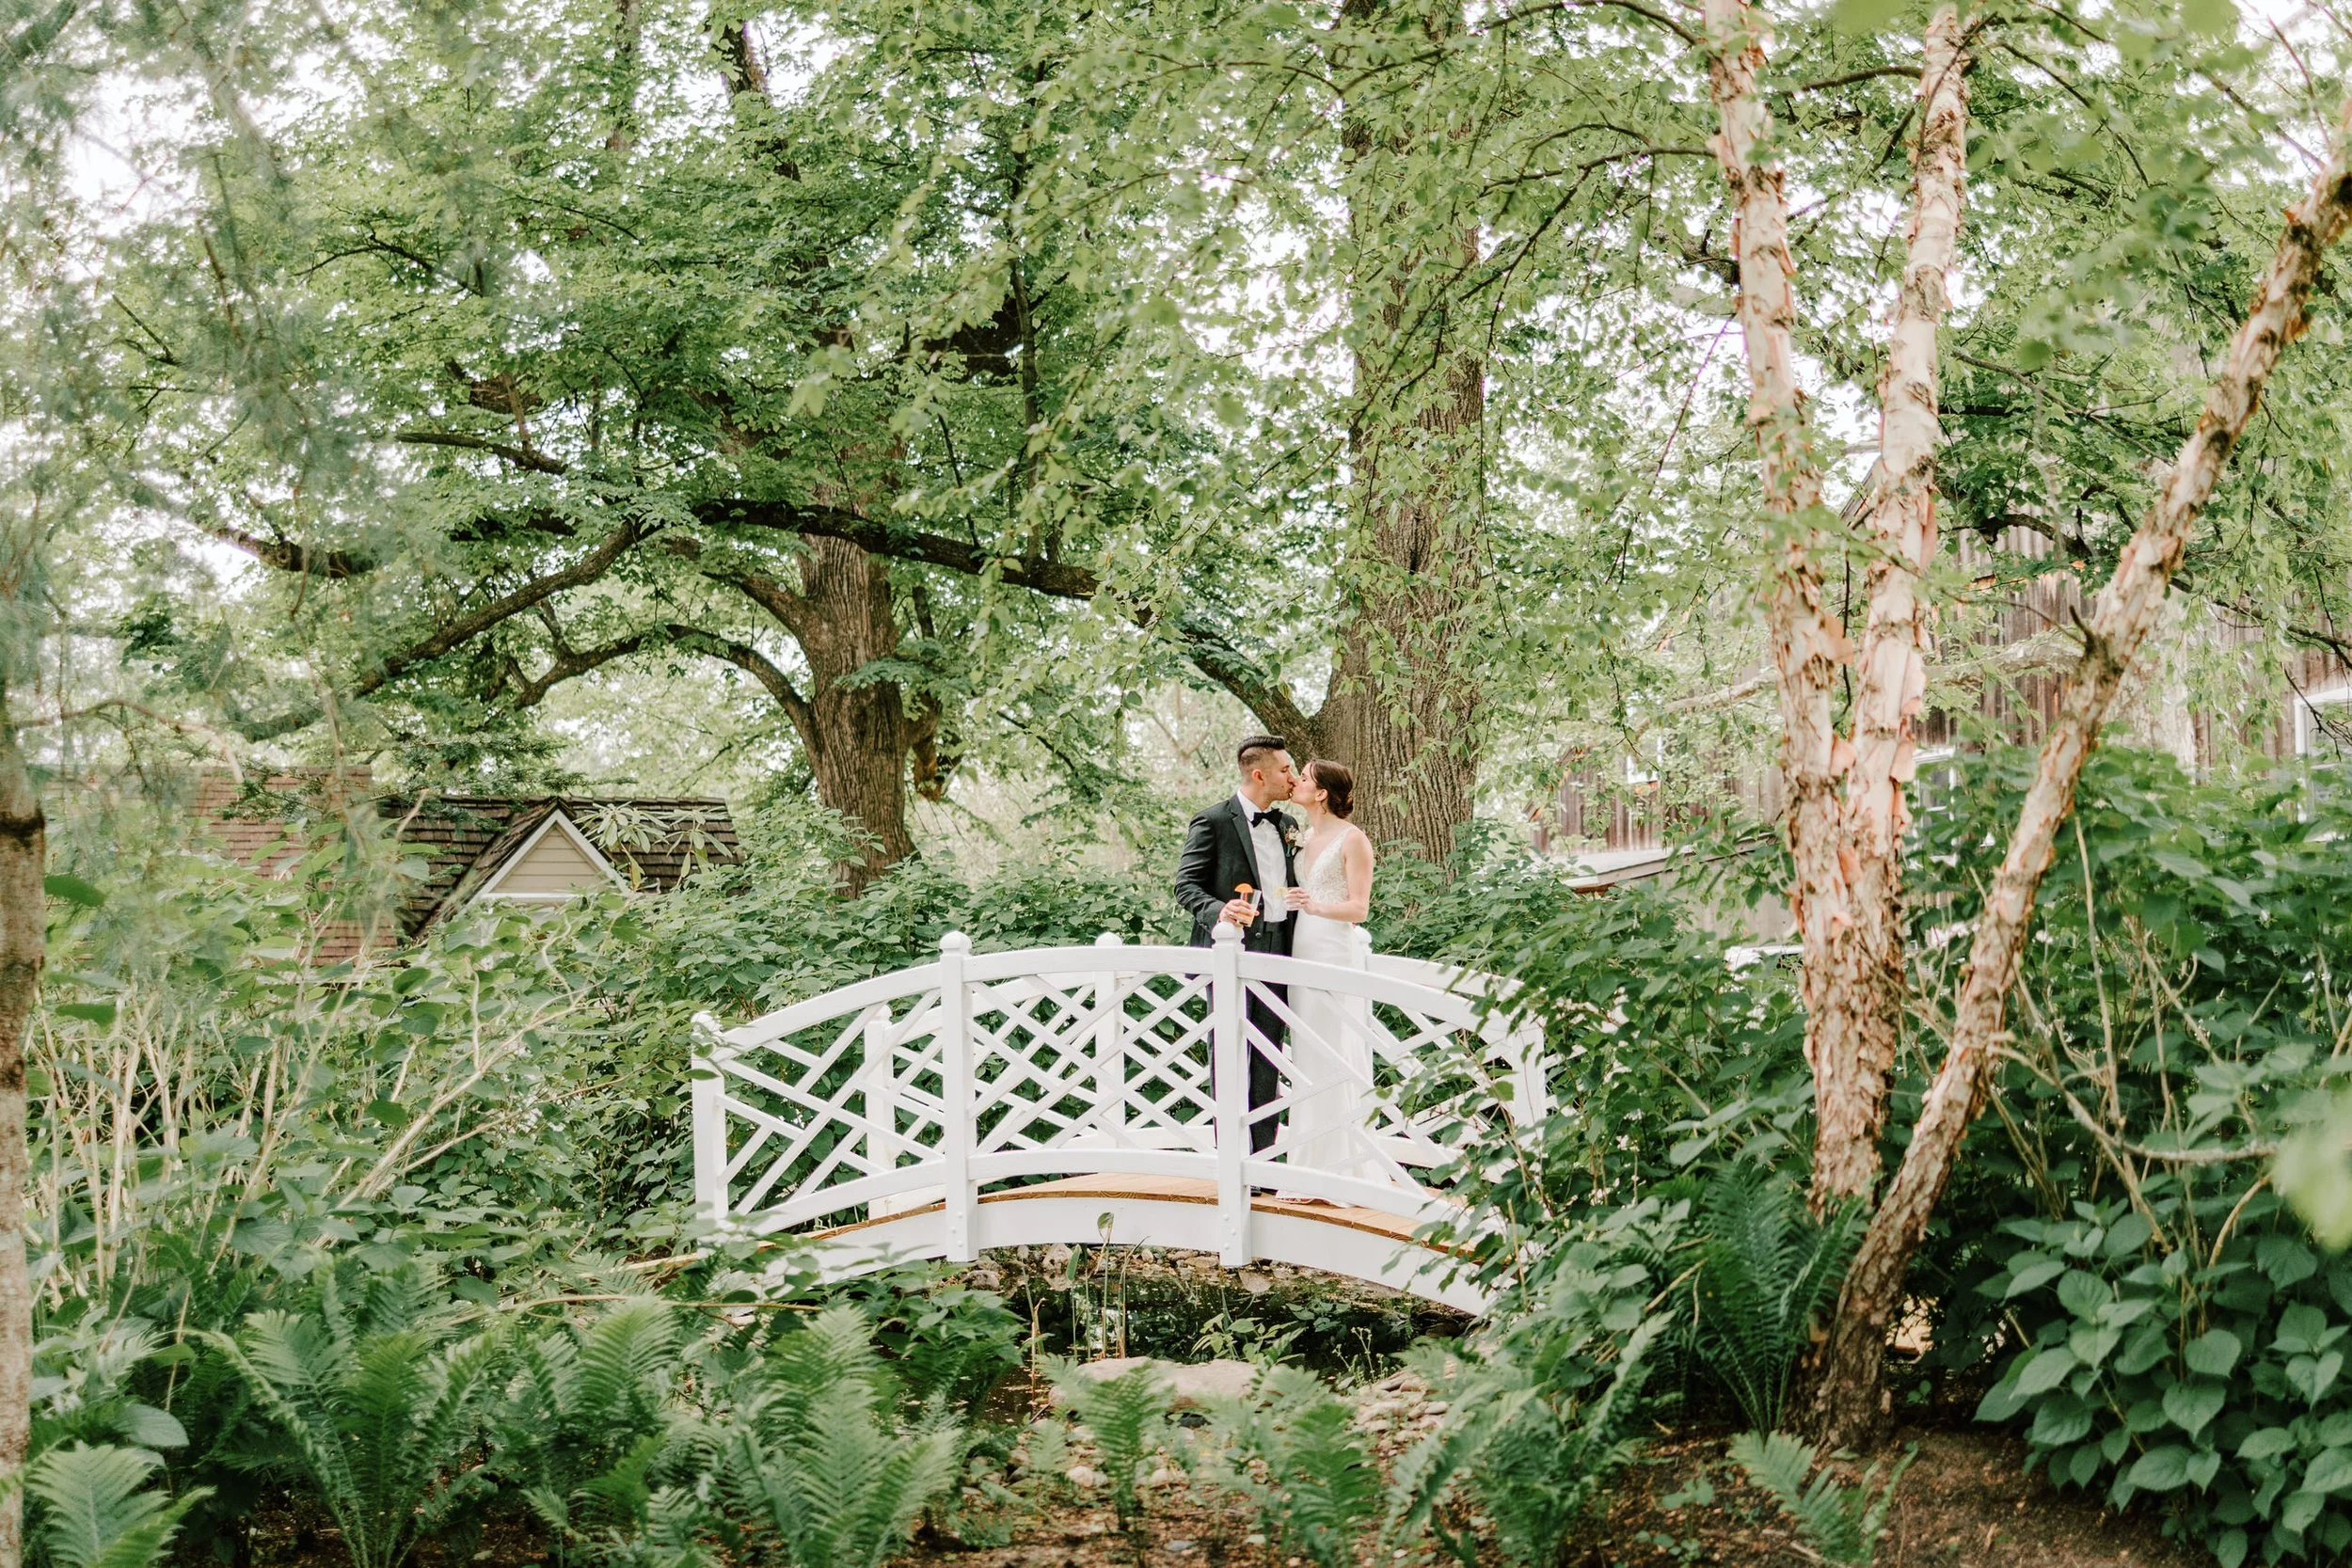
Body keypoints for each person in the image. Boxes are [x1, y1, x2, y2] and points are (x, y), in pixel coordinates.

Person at [1173, 736, 1299, 1153]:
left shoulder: (1286, 826)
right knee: (1228, 1054)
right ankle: (1231, 1155)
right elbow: (1185, 886)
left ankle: (1263, 1161)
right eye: (1285, 770)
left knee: (1270, 1057)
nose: (1292, 778)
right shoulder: (1212, 821)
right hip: (1232, 952)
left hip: (1282, 949)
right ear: (1259, 774)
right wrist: (1220, 912)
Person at [1278, 760, 1380, 1198]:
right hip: (1301, 946)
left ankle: (1342, 1169)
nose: (1296, 782)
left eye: (1303, 778)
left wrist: (1316, 907)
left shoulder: (1352, 839)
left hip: (1334, 949)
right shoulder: (1303, 838)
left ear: (1321, 793)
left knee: (1334, 1049)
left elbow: (1359, 909)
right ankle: (1308, 1164)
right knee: (1307, 1054)